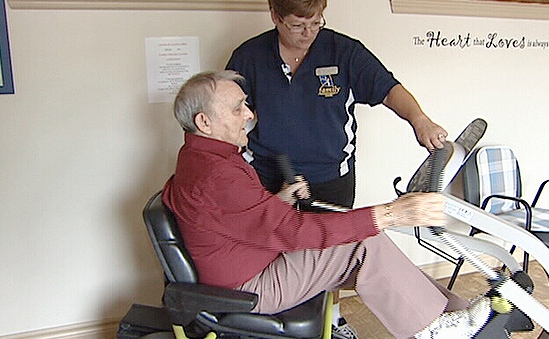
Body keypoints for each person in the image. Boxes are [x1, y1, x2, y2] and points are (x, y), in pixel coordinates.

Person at [162, 71, 493, 339]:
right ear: (204, 122)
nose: (249, 114)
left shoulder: (199, 157)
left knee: (365, 240)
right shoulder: (217, 174)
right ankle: (435, 329)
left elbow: (229, 218)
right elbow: (293, 232)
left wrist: (277, 201)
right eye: (237, 108)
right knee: (362, 241)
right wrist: (393, 213)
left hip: (254, 263)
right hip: (249, 288)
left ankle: (453, 316)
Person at [226, 2, 448, 332]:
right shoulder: (249, 56)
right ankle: (277, 324)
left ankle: (335, 320)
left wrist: (419, 120)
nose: (308, 34)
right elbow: (229, 111)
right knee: (278, 256)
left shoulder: (342, 51)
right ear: (275, 16)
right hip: (268, 175)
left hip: (331, 176)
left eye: (315, 23)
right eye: (297, 26)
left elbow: (388, 89)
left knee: (338, 250)